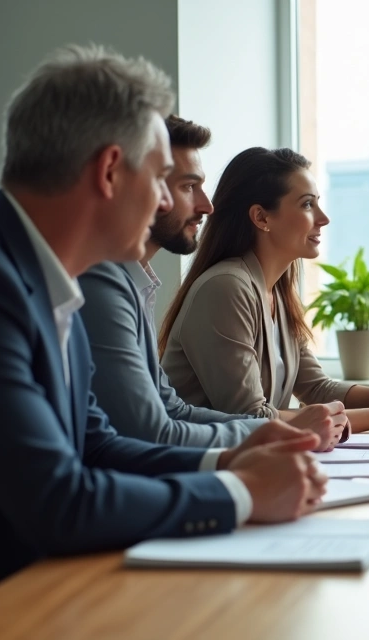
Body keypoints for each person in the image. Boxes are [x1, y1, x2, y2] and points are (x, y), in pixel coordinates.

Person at [0, 46, 327, 630]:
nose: (168, 201)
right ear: (109, 171)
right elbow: (59, 502)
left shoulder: (50, 274)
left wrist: (231, 458)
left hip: (50, 590)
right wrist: (241, 492)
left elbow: (98, 444)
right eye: (161, 178)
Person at [79, 116, 348, 448]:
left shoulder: (137, 284)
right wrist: (285, 432)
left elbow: (171, 411)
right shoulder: (103, 284)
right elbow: (151, 431)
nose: (207, 206)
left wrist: (280, 431)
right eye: (187, 186)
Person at [159, 147, 369, 430]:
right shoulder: (226, 287)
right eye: (306, 204)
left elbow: (318, 389)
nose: (323, 218)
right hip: (204, 463)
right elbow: (250, 417)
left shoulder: (277, 292)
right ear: (262, 218)